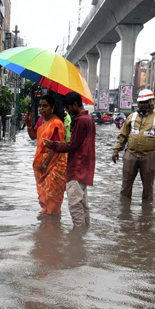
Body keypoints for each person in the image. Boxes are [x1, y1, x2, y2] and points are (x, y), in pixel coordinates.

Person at [44, 91, 96, 229]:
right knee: (83, 204)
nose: (67, 110)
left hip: (77, 168)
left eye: (68, 107)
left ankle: (78, 237)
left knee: (74, 204)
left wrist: (52, 144)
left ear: (74, 105)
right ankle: (84, 232)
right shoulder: (89, 120)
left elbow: (72, 145)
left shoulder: (81, 121)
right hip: (85, 167)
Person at [112, 88, 155, 202]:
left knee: (148, 188)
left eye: (146, 102)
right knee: (125, 187)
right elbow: (123, 135)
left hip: (149, 156)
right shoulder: (132, 117)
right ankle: (124, 211)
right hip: (131, 155)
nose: (143, 105)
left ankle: (147, 212)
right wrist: (116, 150)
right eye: (141, 102)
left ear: (151, 102)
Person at [27, 93, 67, 216]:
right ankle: (46, 226)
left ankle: (52, 225)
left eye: (45, 106)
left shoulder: (57, 123)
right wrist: (28, 124)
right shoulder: (41, 120)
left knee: (52, 196)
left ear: (52, 108)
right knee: (43, 195)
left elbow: (57, 146)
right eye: (40, 106)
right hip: (41, 163)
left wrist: (46, 163)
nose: (41, 109)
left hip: (54, 164)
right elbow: (33, 137)